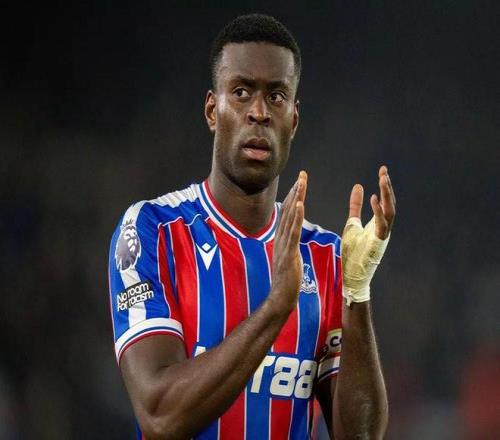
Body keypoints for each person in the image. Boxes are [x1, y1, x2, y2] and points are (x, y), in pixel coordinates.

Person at [108, 13, 395, 440]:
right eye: (241, 92)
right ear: (212, 110)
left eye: (276, 97)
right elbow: (160, 415)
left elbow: (360, 436)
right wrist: (276, 307)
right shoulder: (153, 232)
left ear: (293, 120)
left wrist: (357, 294)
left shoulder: (325, 256)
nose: (259, 112)